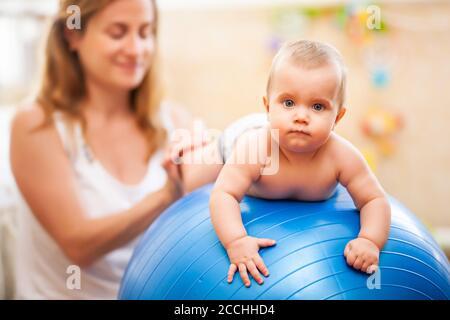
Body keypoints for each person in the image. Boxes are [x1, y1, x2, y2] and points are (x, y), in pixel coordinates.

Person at [10, 0, 193, 299]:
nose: (136, 49)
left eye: (145, 33)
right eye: (118, 33)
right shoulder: (36, 124)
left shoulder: (174, 121)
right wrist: (165, 197)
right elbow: (78, 244)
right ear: (73, 35)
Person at [182, 40, 391, 287]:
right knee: (189, 181)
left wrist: (369, 239)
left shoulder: (342, 156)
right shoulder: (254, 148)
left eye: (317, 106)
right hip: (237, 139)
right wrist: (236, 240)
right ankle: (197, 145)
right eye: (288, 103)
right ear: (268, 107)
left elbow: (374, 200)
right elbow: (224, 194)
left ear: (338, 116)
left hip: (271, 131)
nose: (301, 117)